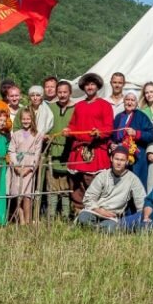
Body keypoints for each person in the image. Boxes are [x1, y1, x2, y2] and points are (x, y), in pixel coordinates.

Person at [65, 73, 114, 213]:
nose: (90, 87)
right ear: (83, 87)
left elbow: (109, 128)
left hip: (96, 149)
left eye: (92, 84)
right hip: (78, 150)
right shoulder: (79, 106)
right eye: (87, 84)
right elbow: (73, 125)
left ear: (97, 86)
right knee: (77, 182)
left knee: (93, 182)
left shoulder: (105, 105)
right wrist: (68, 130)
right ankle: (79, 212)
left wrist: (99, 132)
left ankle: (96, 212)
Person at [76, 147, 146, 232]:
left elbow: (141, 202)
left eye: (122, 160)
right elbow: (88, 198)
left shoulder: (133, 179)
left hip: (112, 216)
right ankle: (97, 229)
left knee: (111, 228)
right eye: (116, 159)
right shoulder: (102, 176)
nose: (119, 163)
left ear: (127, 161)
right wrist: (99, 210)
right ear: (111, 159)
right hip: (96, 211)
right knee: (83, 217)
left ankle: (95, 229)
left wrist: (141, 217)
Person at [111, 92, 153, 190]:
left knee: (136, 186)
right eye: (127, 100)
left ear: (136, 103)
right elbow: (112, 136)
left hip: (137, 158)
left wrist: (136, 133)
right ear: (123, 101)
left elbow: (151, 135)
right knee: (120, 185)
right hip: (120, 157)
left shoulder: (142, 116)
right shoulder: (118, 117)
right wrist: (111, 145)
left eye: (132, 100)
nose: (130, 102)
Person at [9, 108, 45, 224]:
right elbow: (11, 151)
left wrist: (29, 168)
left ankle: (28, 219)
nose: (26, 121)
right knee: (17, 194)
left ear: (32, 119)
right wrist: (16, 166)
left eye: (28, 119)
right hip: (18, 166)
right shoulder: (16, 134)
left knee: (27, 195)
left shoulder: (37, 135)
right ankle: (22, 220)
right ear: (20, 119)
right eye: (24, 119)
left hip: (29, 167)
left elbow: (37, 153)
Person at [46, 80, 75, 218]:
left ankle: (65, 215)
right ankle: (51, 216)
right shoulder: (50, 107)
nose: (62, 95)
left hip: (69, 151)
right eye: (60, 92)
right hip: (52, 150)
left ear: (70, 93)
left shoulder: (76, 108)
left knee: (65, 186)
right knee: (52, 186)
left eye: (65, 92)